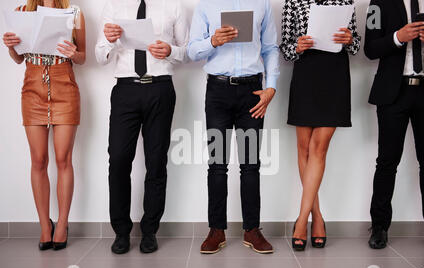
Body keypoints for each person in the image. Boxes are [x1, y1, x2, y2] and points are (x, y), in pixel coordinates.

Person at [95, 0, 189, 254]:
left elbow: (187, 52)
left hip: (160, 88)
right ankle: (121, 231)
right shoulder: (114, 6)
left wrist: (170, 50)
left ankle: (150, 231)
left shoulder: (174, 6)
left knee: (156, 161)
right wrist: (111, 39)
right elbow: (99, 56)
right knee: (118, 160)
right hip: (125, 89)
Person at [188, 0, 280, 255]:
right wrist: (213, 42)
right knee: (217, 164)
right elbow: (192, 51)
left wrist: (271, 87)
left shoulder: (262, 3)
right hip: (217, 91)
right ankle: (216, 229)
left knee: (251, 164)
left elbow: (271, 47)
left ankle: (252, 229)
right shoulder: (206, 4)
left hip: (253, 91)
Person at [365, 0, 424, 250]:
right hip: (394, 93)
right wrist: (398, 37)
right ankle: (379, 227)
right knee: (387, 161)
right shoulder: (379, 3)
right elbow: (370, 48)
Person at [2, 0, 85, 251]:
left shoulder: (75, 13)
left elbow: (82, 57)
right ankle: (44, 226)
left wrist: (73, 53)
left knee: (63, 159)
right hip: (33, 87)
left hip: (64, 85)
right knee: (38, 160)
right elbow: (18, 58)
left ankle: (62, 224)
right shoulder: (21, 12)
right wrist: (10, 47)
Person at [280, 0, 360, 250]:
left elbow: (357, 45)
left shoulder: (346, 2)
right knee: (303, 148)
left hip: (334, 75)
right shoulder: (293, 2)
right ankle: (318, 217)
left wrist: (350, 40)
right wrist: (298, 46)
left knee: (319, 148)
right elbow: (285, 49)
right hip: (306, 73)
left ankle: (302, 221)